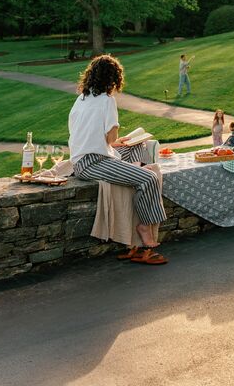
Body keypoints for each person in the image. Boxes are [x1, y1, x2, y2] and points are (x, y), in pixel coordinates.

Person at [68, 55, 167, 265]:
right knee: (148, 178)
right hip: (93, 163)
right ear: (114, 79)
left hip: (84, 158)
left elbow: (98, 139)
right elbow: (110, 138)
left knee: (136, 147)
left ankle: (132, 168)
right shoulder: (107, 100)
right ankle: (145, 228)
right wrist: (114, 134)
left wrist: (115, 142)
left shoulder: (81, 99)